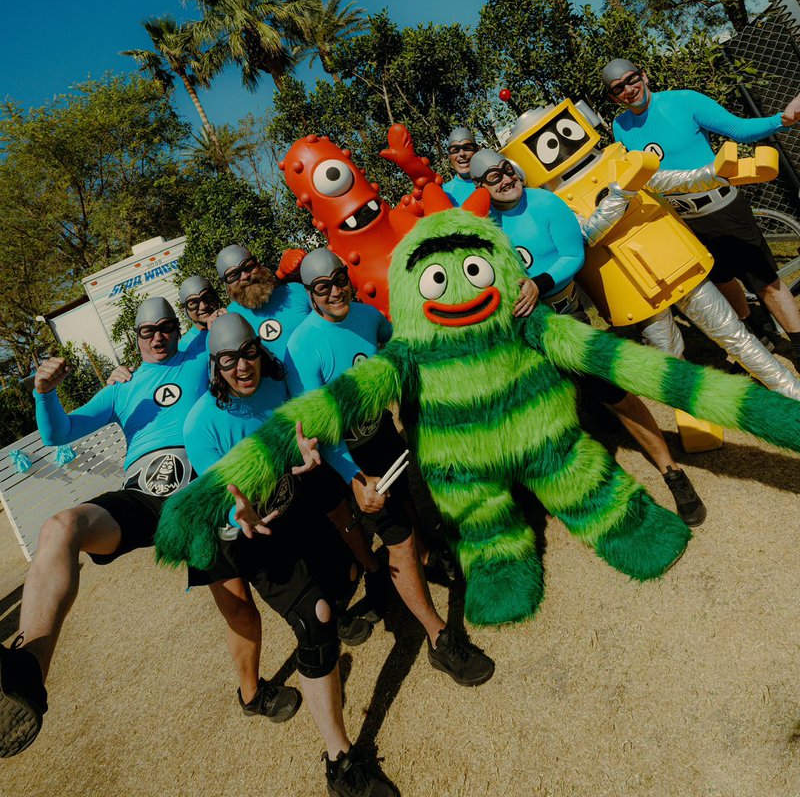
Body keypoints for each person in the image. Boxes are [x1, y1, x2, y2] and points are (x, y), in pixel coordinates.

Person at [184, 312, 397, 797]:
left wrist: (346, 475)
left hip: (294, 512)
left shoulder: (281, 385)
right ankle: (340, 761)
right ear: (215, 367)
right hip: (253, 537)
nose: (243, 367)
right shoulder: (201, 424)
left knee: (342, 585)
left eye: (248, 353)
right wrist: (235, 512)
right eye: (229, 360)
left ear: (260, 351)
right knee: (317, 619)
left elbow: (319, 438)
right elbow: (218, 500)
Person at [0, 297, 208, 758]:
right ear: (134, 339)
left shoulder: (202, 349)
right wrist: (44, 392)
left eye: (166, 327)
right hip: (140, 495)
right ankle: (30, 669)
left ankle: (259, 687)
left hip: (200, 489)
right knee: (59, 527)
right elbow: (58, 434)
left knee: (235, 598)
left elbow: (235, 322)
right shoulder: (121, 389)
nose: (158, 335)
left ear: (178, 329)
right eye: (147, 330)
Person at [285, 248, 496, 687]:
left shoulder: (363, 315)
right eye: (323, 287)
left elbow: (396, 337)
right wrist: (355, 481)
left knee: (410, 512)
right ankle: (440, 639)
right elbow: (317, 431)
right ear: (310, 294)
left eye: (339, 279)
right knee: (396, 537)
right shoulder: (301, 347)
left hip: (381, 434)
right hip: (349, 457)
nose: (335, 290)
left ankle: (426, 559)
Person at [469, 148, 706, 526]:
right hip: (522, 338)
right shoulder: (483, 225)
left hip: (566, 321)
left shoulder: (546, 203)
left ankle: (672, 473)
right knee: (551, 418)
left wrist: (538, 284)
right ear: (481, 186)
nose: (506, 179)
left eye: (506, 170)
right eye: (493, 178)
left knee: (618, 398)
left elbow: (572, 255)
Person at [603, 59, 800, 355]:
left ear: (644, 75)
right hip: (683, 221)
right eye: (619, 88)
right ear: (613, 97)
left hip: (724, 209)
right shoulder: (621, 126)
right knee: (721, 280)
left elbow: (739, 130)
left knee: (766, 281)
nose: (629, 90)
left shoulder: (684, 100)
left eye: (632, 80)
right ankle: (755, 334)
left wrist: (781, 120)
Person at [216, 243, 309, 363]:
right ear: (226, 284)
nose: (245, 276)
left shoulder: (296, 291)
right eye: (234, 275)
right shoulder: (230, 318)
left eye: (248, 267)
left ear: (258, 264)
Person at [177, 274, 224, 359]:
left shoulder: (237, 320)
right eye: (194, 303)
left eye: (208, 297)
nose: (203, 306)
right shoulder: (185, 347)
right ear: (185, 310)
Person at [442, 126, 478, 206]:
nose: (462, 154)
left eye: (467, 148)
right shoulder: (444, 193)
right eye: (455, 150)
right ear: (449, 156)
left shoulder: (494, 181)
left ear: (476, 150)